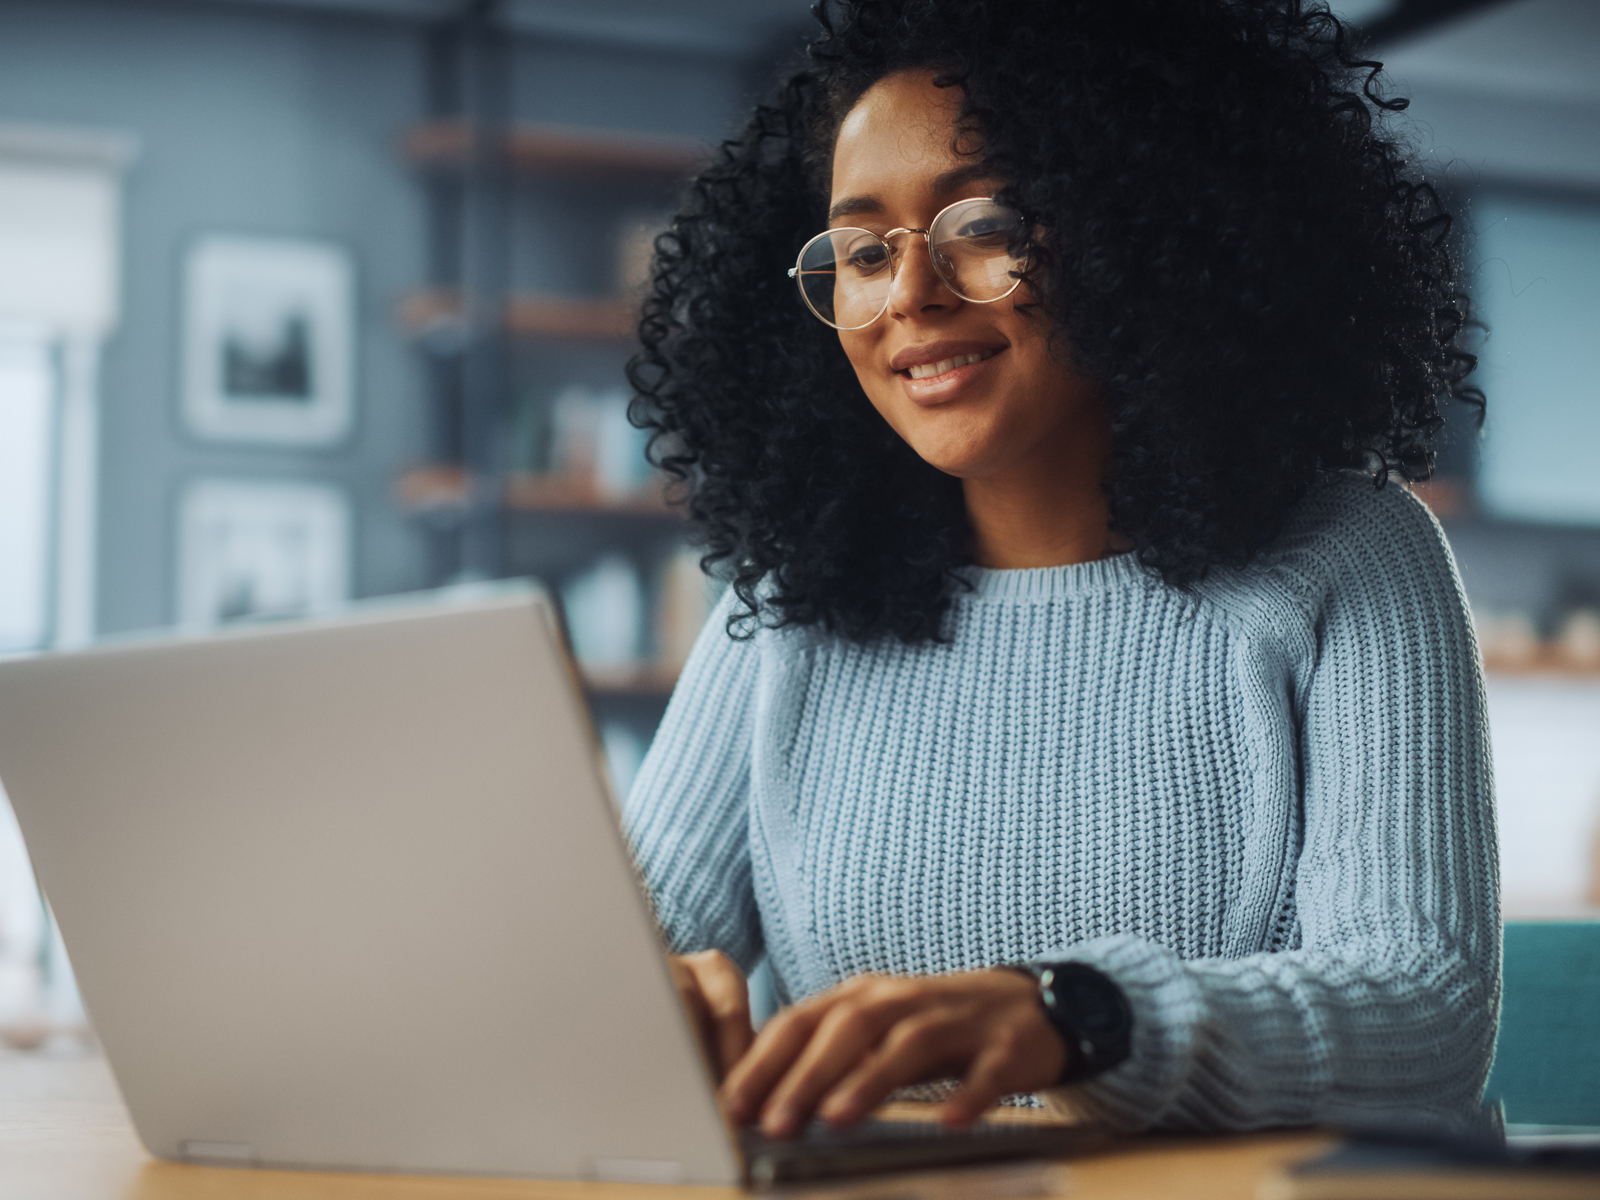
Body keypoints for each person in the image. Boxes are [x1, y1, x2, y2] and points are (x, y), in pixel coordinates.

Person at [621, 0, 1496, 1140]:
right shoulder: (795, 598)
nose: (908, 295)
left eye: (983, 223)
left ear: (1146, 226)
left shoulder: (1344, 558)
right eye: (860, 249)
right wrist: (632, 991)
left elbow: (1419, 1009)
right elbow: (635, 934)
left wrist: (1073, 1017)